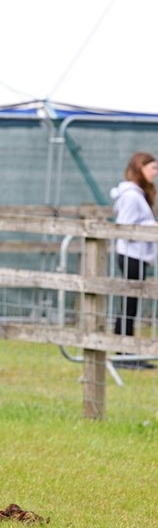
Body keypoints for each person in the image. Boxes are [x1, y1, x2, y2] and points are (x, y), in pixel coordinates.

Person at [109, 151, 157, 368]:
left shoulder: (137, 194)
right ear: (140, 168)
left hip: (137, 254)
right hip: (131, 254)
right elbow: (126, 226)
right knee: (128, 305)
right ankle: (123, 353)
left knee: (130, 304)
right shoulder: (131, 196)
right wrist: (151, 226)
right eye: (152, 168)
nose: (155, 173)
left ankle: (126, 352)